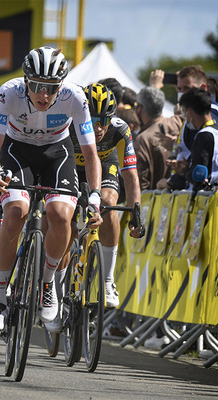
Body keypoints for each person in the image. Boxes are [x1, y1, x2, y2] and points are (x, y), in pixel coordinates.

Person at [0, 46, 103, 332]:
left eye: (50, 88)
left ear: (61, 85)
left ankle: (48, 283)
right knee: (15, 213)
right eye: (36, 86)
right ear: (25, 81)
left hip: (56, 153)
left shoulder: (75, 97)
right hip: (16, 151)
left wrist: (95, 196)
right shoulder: (8, 92)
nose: (42, 94)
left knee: (61, 215)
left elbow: (91, 154)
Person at [73, 83, 143, 308]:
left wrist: (136, 215)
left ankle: (107, 280)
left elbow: (131, 177)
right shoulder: (68, 124)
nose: (99, 127)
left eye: (105, 120)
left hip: (104, 165)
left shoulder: (120, 130)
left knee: (109, 204)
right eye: (93, 121)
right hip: (72, 168)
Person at [133, 87, 182, 190]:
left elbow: (140, 182)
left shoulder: (142, 139)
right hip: (181, 198)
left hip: (154, 202)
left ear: (140, 108)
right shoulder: (178, 123)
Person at [178, 87, 218, 185]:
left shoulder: (204, 135)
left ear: (189, 113)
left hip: (210, 197)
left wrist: (183, 171)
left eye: (184, 112)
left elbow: (199, 176)